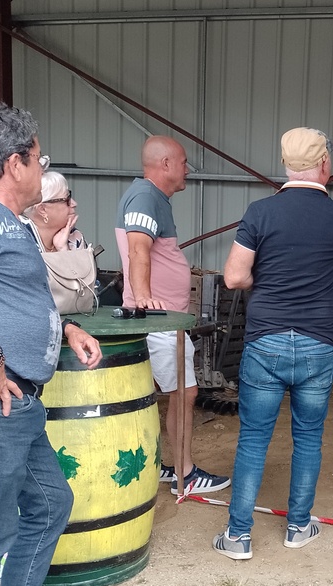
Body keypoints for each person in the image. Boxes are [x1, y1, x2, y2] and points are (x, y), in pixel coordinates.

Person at [0, 104, 103, 586]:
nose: (40, 167)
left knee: (50, 503)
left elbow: (11, 296)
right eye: (38, 157)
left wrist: (65, 327)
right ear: (13, 163)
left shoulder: (5, 220)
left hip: (21, 401)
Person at [214, 127, 333, 560]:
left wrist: (267, 280)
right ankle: (298, 527)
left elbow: (234, 277)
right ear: (325, 165)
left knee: (254, 439)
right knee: (309, 438)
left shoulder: (260, 212)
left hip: (265, 342)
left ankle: (238, 537)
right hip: (317, 344)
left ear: (285, 164)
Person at [115, 136, 230, 496]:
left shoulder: (154, 199)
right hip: (159, 321)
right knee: (185, 392)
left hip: (163, 319)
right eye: (182, 162)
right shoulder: (145, 197)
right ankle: (184, 471)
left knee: (160, 392)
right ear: (164, 164)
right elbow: (138, 249)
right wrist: (145, 297)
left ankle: (162, 465)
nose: (187, 170)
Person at [21, 171, 87, 252]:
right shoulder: (18, 239)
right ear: (42, 210)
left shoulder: (74, 237)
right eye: (66, 199)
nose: (74, 204)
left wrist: (63, 249)